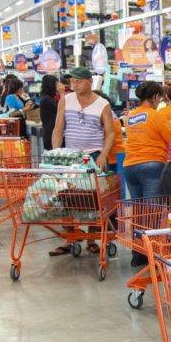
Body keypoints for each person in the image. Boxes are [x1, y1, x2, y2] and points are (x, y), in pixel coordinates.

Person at [50, 67, 116, 256]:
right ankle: (70, 239)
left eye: (78, 81)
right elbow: (58, 129)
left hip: (93, 156)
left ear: (90, 82)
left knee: (94, 199)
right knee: (67, 196)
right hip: (70, 157)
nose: (74, 85)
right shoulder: (66, 100)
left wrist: (103, 154)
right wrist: (56, 153)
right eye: (72, 82)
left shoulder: (102, 104)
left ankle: (92, 239)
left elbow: (110, 132)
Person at [124, 82, 171, 267]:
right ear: (154, 98)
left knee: (138, 212)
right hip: (152, 165)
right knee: (152, 212)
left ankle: (138, 253)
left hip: (130, 166)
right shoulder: (156, 115)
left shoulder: (130, 116)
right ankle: (151, 254)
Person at [39, 75, 65, 150]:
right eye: (56, 84)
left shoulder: (46, 97)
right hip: (51, 135)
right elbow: (62, 108)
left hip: (52, 133)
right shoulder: (46, 99)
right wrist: (62, 93)